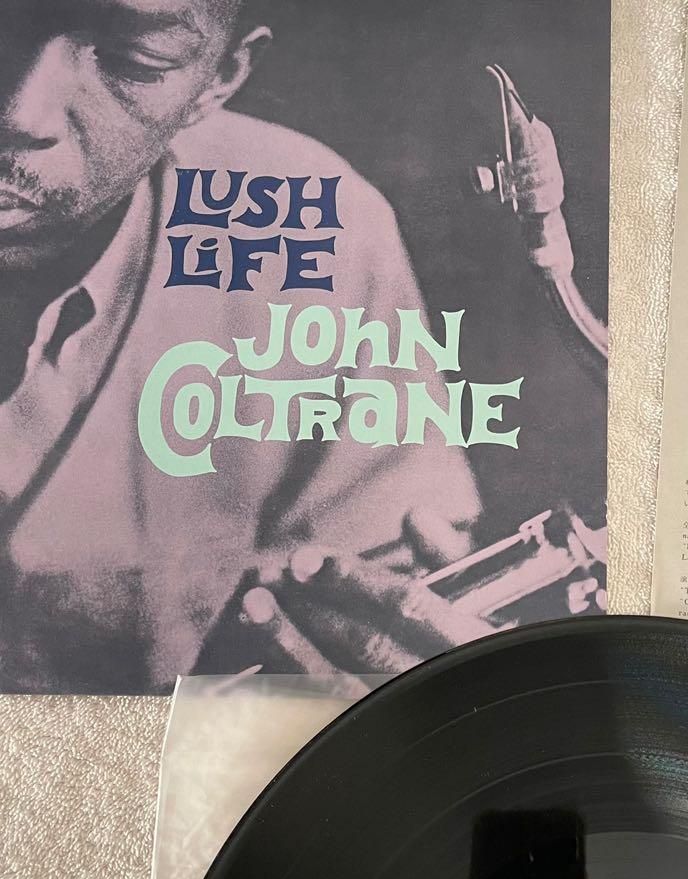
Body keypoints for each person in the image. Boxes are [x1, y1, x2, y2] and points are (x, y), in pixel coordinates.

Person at [0, 0, 490, 692]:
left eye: (134, 62)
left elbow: (385, 603)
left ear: (218, 81)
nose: (20, 112)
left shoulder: (309, 232)